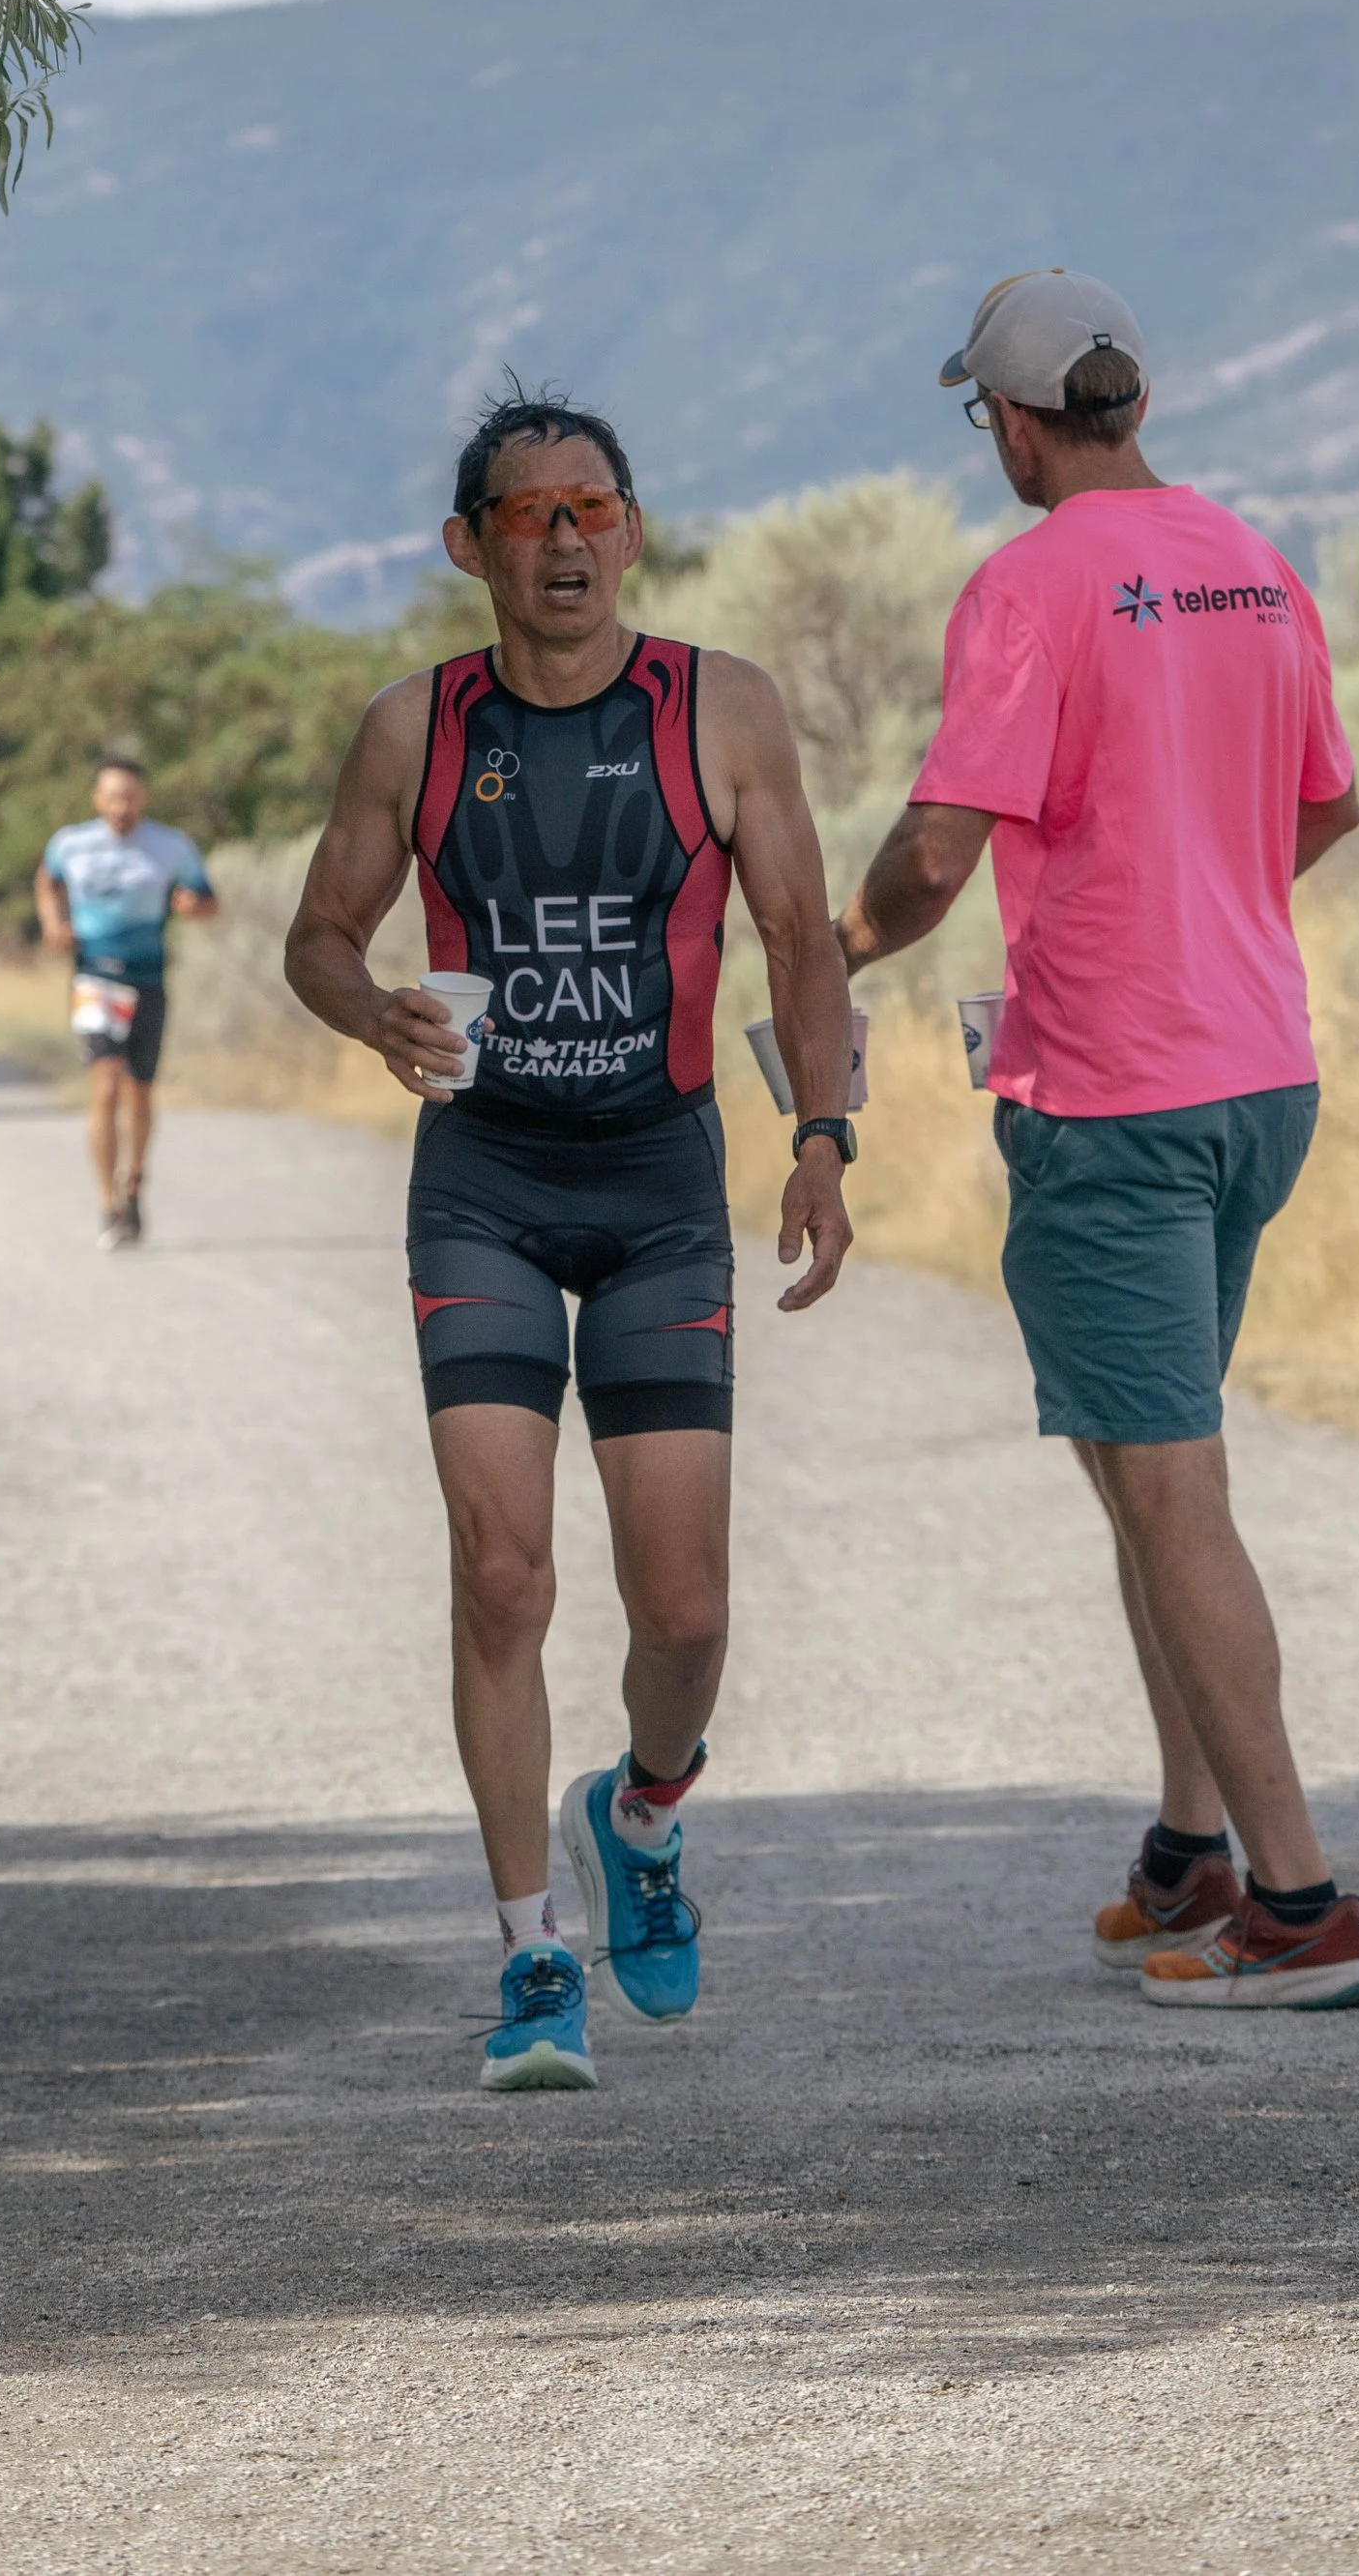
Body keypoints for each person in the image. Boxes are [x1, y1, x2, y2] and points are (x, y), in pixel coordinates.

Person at [285, 388, 855, 2091]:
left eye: (592, 510)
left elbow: (804, 936)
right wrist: (374, 1013)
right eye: (527, 514)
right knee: (502, 1569)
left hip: (662, 1185)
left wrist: (823, 1135)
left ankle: (644, 1811)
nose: (564, 542)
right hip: (485, 1184)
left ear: (630, 531)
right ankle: (536, 1953)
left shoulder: (719, 710)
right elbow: (318, 932)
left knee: (682, 1610)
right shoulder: (416, 731)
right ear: (470, 546)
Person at [837, 270, 1359, 2013]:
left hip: (1121, 1099)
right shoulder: (1251, 556)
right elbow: (1333, 798)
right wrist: (1200, 908)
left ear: (1005, 421)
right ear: (1128, 397)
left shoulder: (1029, 581)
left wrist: (823, 952)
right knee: (1153, 1480)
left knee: (1169, 1492)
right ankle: (1190, 1853)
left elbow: (933, 855)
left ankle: (1300, 1908)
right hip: (1256, 1080)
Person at [36, 764, 218, 1252]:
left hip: (148, 980)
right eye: (113, 798)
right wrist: (54, 923)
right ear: (97, 798)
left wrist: (190, 906)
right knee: (106, 1088)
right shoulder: (70, 844)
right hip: (95, 979)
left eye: (131, 797)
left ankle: (135, 1180)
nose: (122, 807)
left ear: (144, 797)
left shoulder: (171, 845)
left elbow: (208, 901)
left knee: (140, 1093)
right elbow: (46, 882)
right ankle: (107, 1203)